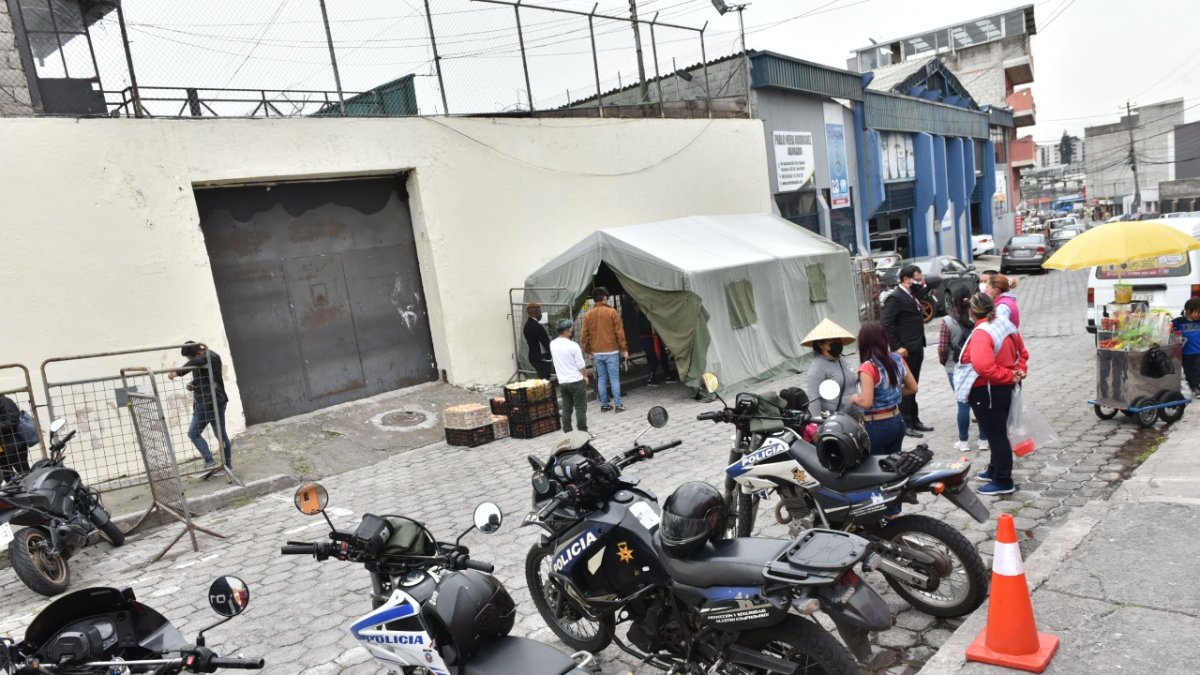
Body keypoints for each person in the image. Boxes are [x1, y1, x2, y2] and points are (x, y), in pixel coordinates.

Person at [958, 293, 1028, 496]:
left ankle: (1003, 480)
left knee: (996, 436)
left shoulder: (982, 332)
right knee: (998, 432)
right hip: (1005, 387)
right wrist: (1018, 372)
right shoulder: (1006, 324)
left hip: (988, 390)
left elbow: (983, 366)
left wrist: (1008, 375)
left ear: (971, 312)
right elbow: (1022, 353)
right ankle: (994, 470)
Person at [850, 321, 918, 456]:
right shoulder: (898, 359)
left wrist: (855, 398)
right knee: (894, 466)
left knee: (877, 470)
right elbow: (913, 388)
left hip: (877, 426)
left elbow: (866, 402)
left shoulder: (868, 367)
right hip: (897, 421)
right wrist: (893, 393)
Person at [882, 264, 933, 436]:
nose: (920, 282)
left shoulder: (912, 295)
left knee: (914, 384)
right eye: (917, 279)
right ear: (906, 279)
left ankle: (915, 419)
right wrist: (897, 347)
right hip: (905, 349)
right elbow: (886, 323)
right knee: (907, 385)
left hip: (917, 346)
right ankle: (906, 423)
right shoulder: (895, 298)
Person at [939, 285, 988, 452]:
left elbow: (942, 348)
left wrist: (945, 362)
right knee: (979, 402)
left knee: (963, 403)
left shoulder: (947, 321)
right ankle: (983, 440)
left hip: (956, 367)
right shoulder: (977, 317)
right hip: (976, 365)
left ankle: (964, 442)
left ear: (952, 300)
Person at [168, 341, 232, 469]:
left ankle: (224, 465)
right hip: (204, 403)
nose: (189, 360)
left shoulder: (210, 356)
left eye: (189, 357)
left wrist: (177, 372)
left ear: (197, 353)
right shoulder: (202, 358)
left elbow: (195, 363)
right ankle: (212, 462)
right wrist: (193, 383)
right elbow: (205, 375)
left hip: (213, 403)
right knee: (197, 433)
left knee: (215, 434)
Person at [801, 318, 861, 419]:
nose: (837, 343)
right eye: (832, 341)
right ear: (821, 345)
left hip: (856, 417)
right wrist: (816, 426)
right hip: (838, 421)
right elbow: (813, 400)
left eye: (838, 339)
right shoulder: (817, 368)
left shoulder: (842, 360)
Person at [581, 287, 629, 413]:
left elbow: (584, 335)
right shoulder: (612, 312)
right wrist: (624, 348)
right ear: (604, 298)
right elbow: (620, 332)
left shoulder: (588, 315)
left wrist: (588, 350)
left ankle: (604, 405)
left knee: (602, 378)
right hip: (612, 350)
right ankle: (618, 405)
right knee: (614, 378)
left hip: (597, 352)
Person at [550, 319, 589, 433]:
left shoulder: (552, 344)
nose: (572, 332)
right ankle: (583, 431)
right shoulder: (573, 345)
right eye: (570, 330)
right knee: (580, 408)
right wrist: (585, 376)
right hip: (576, 380)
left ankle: (568, 431)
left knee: (567, 409)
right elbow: (581, 365)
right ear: (567, 331)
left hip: (563, 381)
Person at [1173, 298, 1200, 397]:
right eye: (1196, 312)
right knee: (1188, 372)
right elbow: (1170, 325)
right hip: (1184, 353)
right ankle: (1193, 387)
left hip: (1197, 352)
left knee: (1197, 370)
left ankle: (1196, 387)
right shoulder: (1180, 321)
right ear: (1188, 311)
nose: (1198, 315)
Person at [523, 302, 554, 380]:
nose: (541, 314)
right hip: (542, 358)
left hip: (533, 357)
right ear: (535, 313)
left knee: (541, 379)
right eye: (540, 312)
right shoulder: (537, 326)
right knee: (544, 381)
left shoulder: (526, 326)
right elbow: (546, 342)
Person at [636, 307, 665, 387]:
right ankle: (651, 378)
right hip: (647, 338)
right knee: (654, 358)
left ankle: (652, 377)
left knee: (653, 358)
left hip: (648, 338)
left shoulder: (641, 314)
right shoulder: (643, 315)